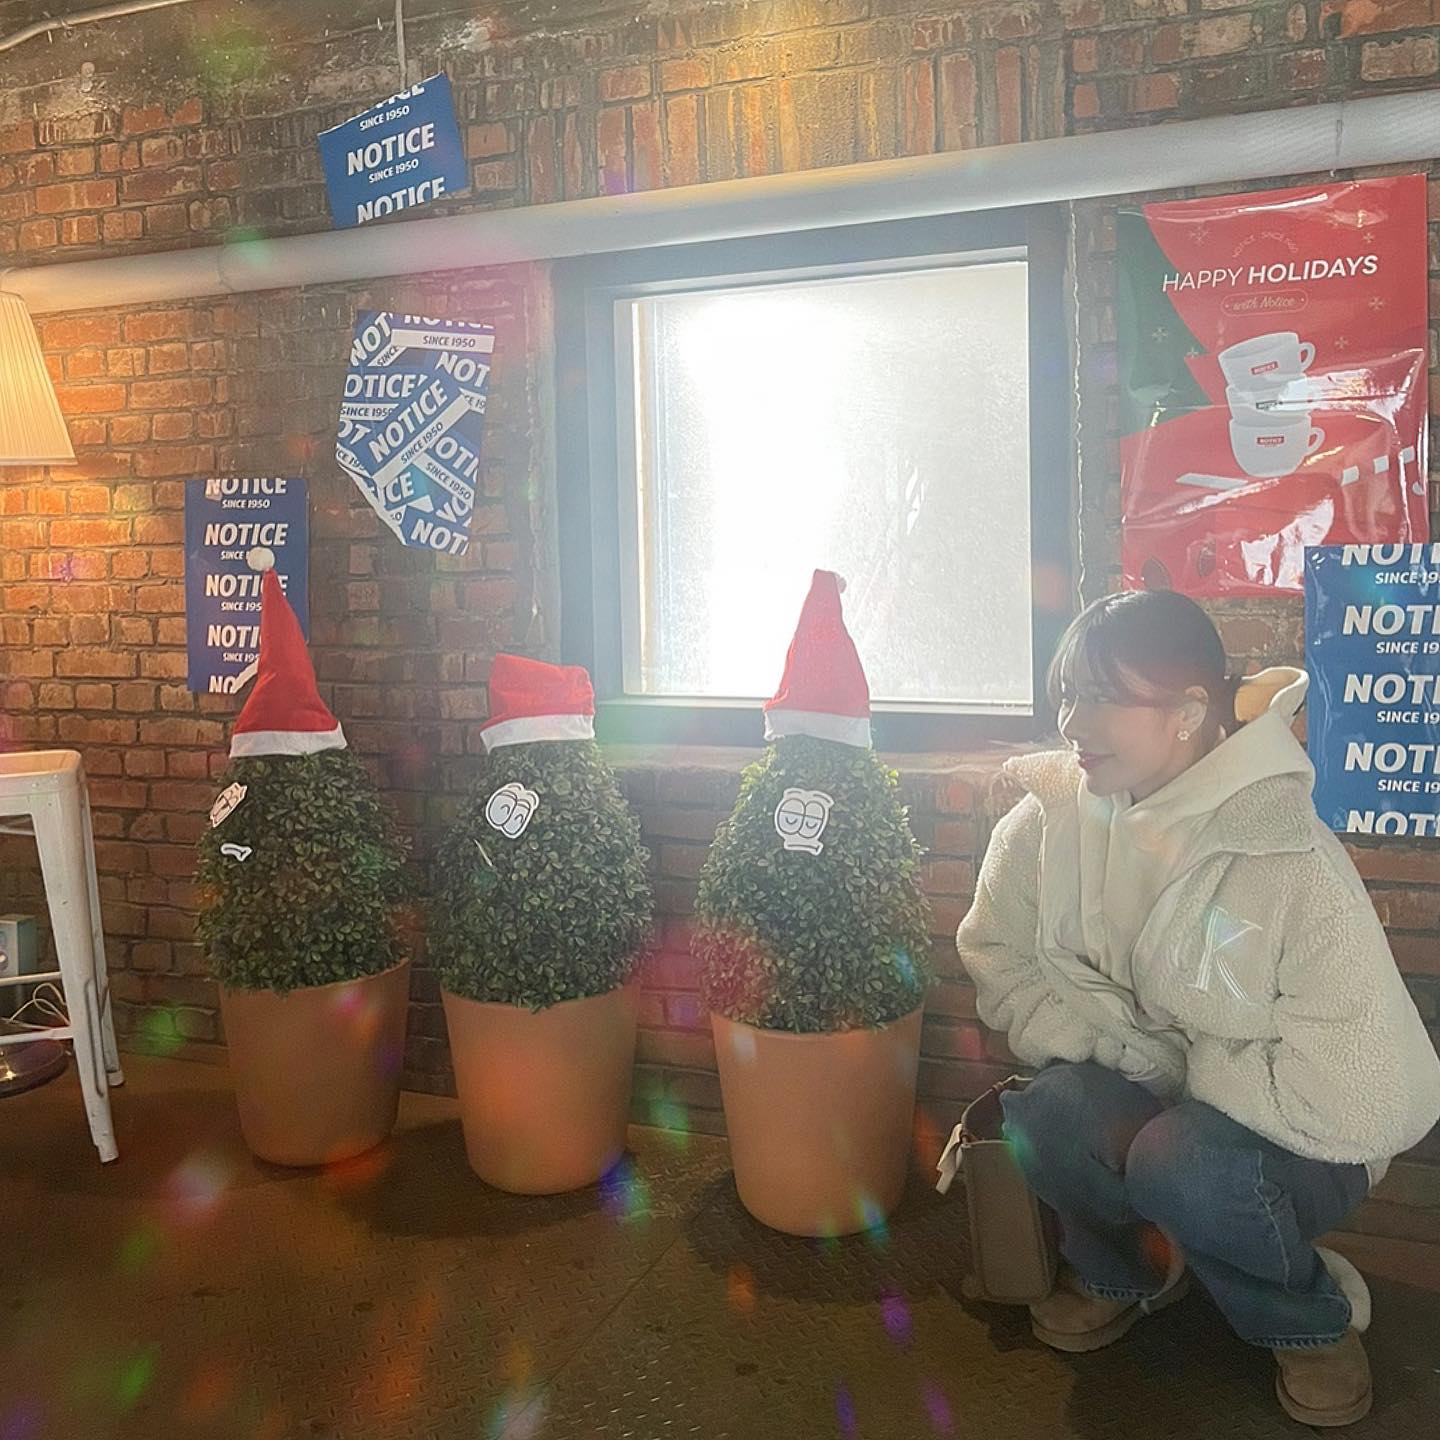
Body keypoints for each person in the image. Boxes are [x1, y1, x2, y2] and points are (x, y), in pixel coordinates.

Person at [956, 589, 1440, 1429]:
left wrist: (1181, 1086)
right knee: (1050, 1112)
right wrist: (1132, 1060)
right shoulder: (1043, 825)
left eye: (1102, 697)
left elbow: (1362, 1084)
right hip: (1157, 1106)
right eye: (1067, 693)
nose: (1072, 722)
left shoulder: (1288, 855)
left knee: (1182, 1161)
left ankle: (1307, 1322)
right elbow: (1000, 959)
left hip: (1301, 1133)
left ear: (1187, 712)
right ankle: (1127, 1273)